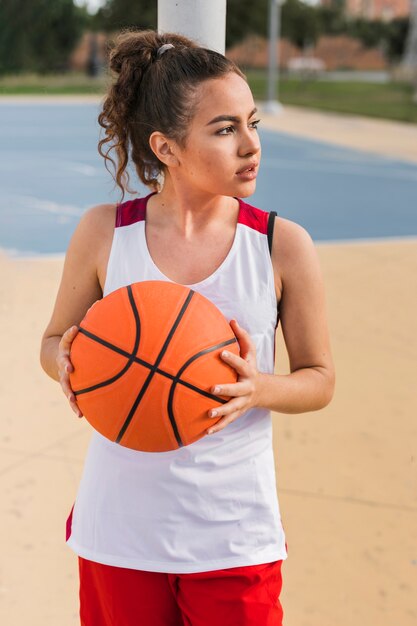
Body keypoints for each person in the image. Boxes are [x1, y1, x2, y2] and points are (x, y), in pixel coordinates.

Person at [40, 29, 335, 626]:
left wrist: (259, 387)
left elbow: (320, 378)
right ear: (166, 148)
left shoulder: (282, 246)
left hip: (232, 533)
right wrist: (68, 363)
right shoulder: (106, 233)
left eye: (253, 122)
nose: (251, 145)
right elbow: (53, 342)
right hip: (119, 529)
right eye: (225, 129)